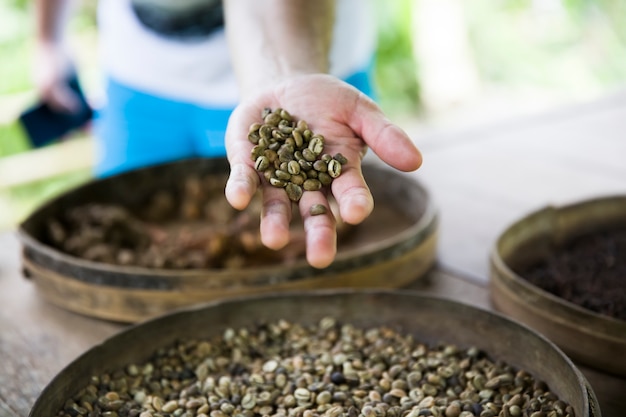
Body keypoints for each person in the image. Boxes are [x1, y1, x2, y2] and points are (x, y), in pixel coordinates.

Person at [34, 0, 423, 269]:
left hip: (297, 42)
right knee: (129, 237)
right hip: (139, 72)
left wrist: (286, 76)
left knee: (299, 242)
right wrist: (49, 37)